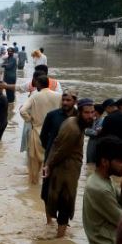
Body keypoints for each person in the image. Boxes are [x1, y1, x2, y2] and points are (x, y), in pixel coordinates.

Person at [42, 98, 97, 237]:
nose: (90, 116)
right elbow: (61, 151)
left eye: (92, 112)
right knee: (66, 203)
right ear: (80, 112)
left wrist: (48, 164)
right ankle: (60, 238)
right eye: (87, 113)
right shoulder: (74, 129)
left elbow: (55, 143)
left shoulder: (72, 122)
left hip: (66, 169)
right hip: (66, 171)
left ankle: (55, 229)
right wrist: (49, 165)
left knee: (58, 200)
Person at [19, 77, 61, 184]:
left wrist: (30, 119)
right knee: (51, 163)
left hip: (38, 132)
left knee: (34, 164)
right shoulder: (58, 96)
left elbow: (23, 110)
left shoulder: (35, 96)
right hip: (54, 134)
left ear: (38, 84)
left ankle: (33, 187)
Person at [40, 90, 78, 160]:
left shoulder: (79, 117)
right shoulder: (52, 115)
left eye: (68, 100)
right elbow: (43, 136)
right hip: (52, 156)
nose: (64, 102)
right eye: (63, 100)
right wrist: (50, 148)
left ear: (75, 102)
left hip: (71, 158)